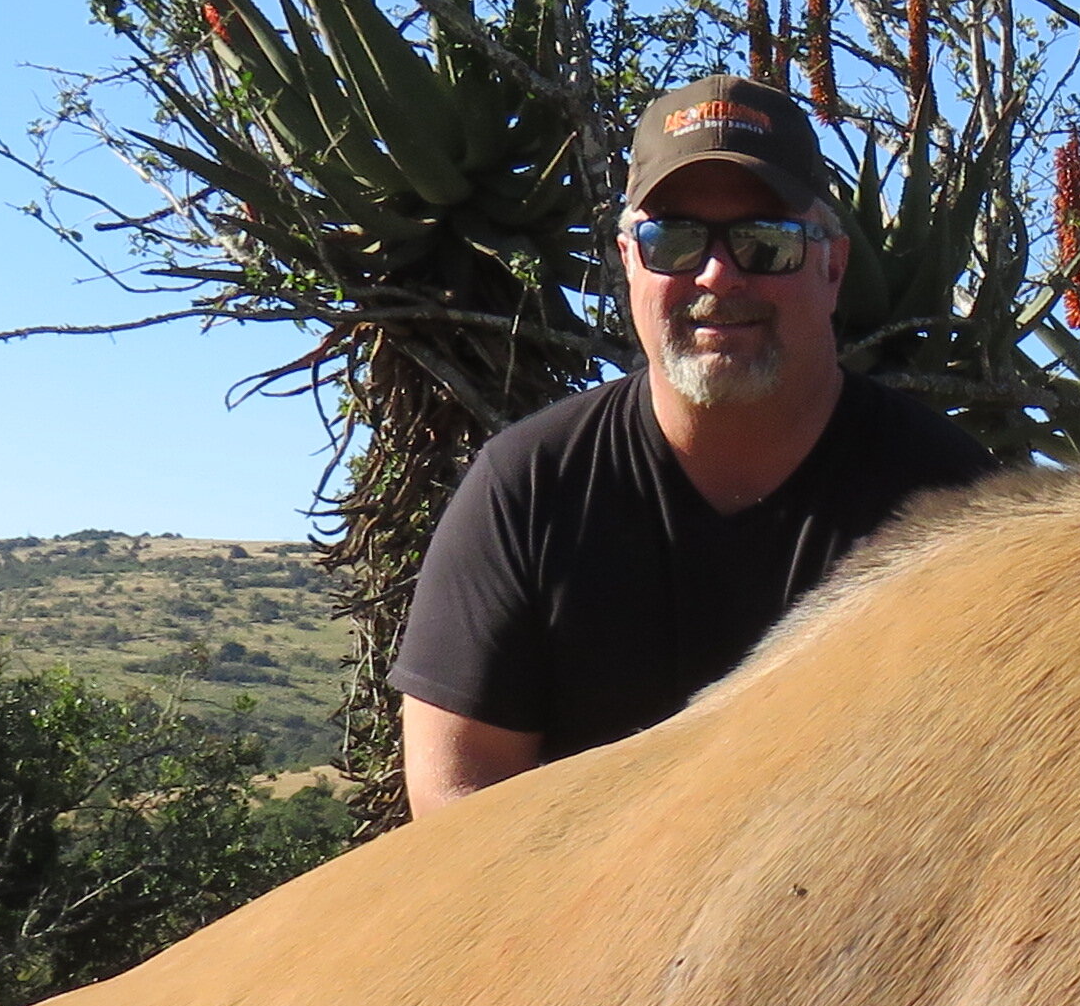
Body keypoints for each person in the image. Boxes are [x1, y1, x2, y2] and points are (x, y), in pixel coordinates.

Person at [391, 74, 996, 812]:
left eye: (764, 243)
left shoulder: (954, 507)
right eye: (672, 239)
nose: (718, 273)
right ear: (628, 262)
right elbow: (459, 809)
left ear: (832, 266)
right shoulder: (529, 488)